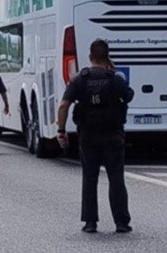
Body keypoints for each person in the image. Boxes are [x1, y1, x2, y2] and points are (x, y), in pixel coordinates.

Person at [56, 39, 135, 234]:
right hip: (113, 135)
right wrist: (113, 70)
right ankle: (121, 222)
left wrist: (61, 130)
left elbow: (64, 105)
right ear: (107, 57)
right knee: (116, 177)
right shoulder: (115, 79)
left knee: (89, 178)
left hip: (88, 136)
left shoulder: (79, 79)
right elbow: (129, 96)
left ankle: (90, 222)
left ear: (90, 57)